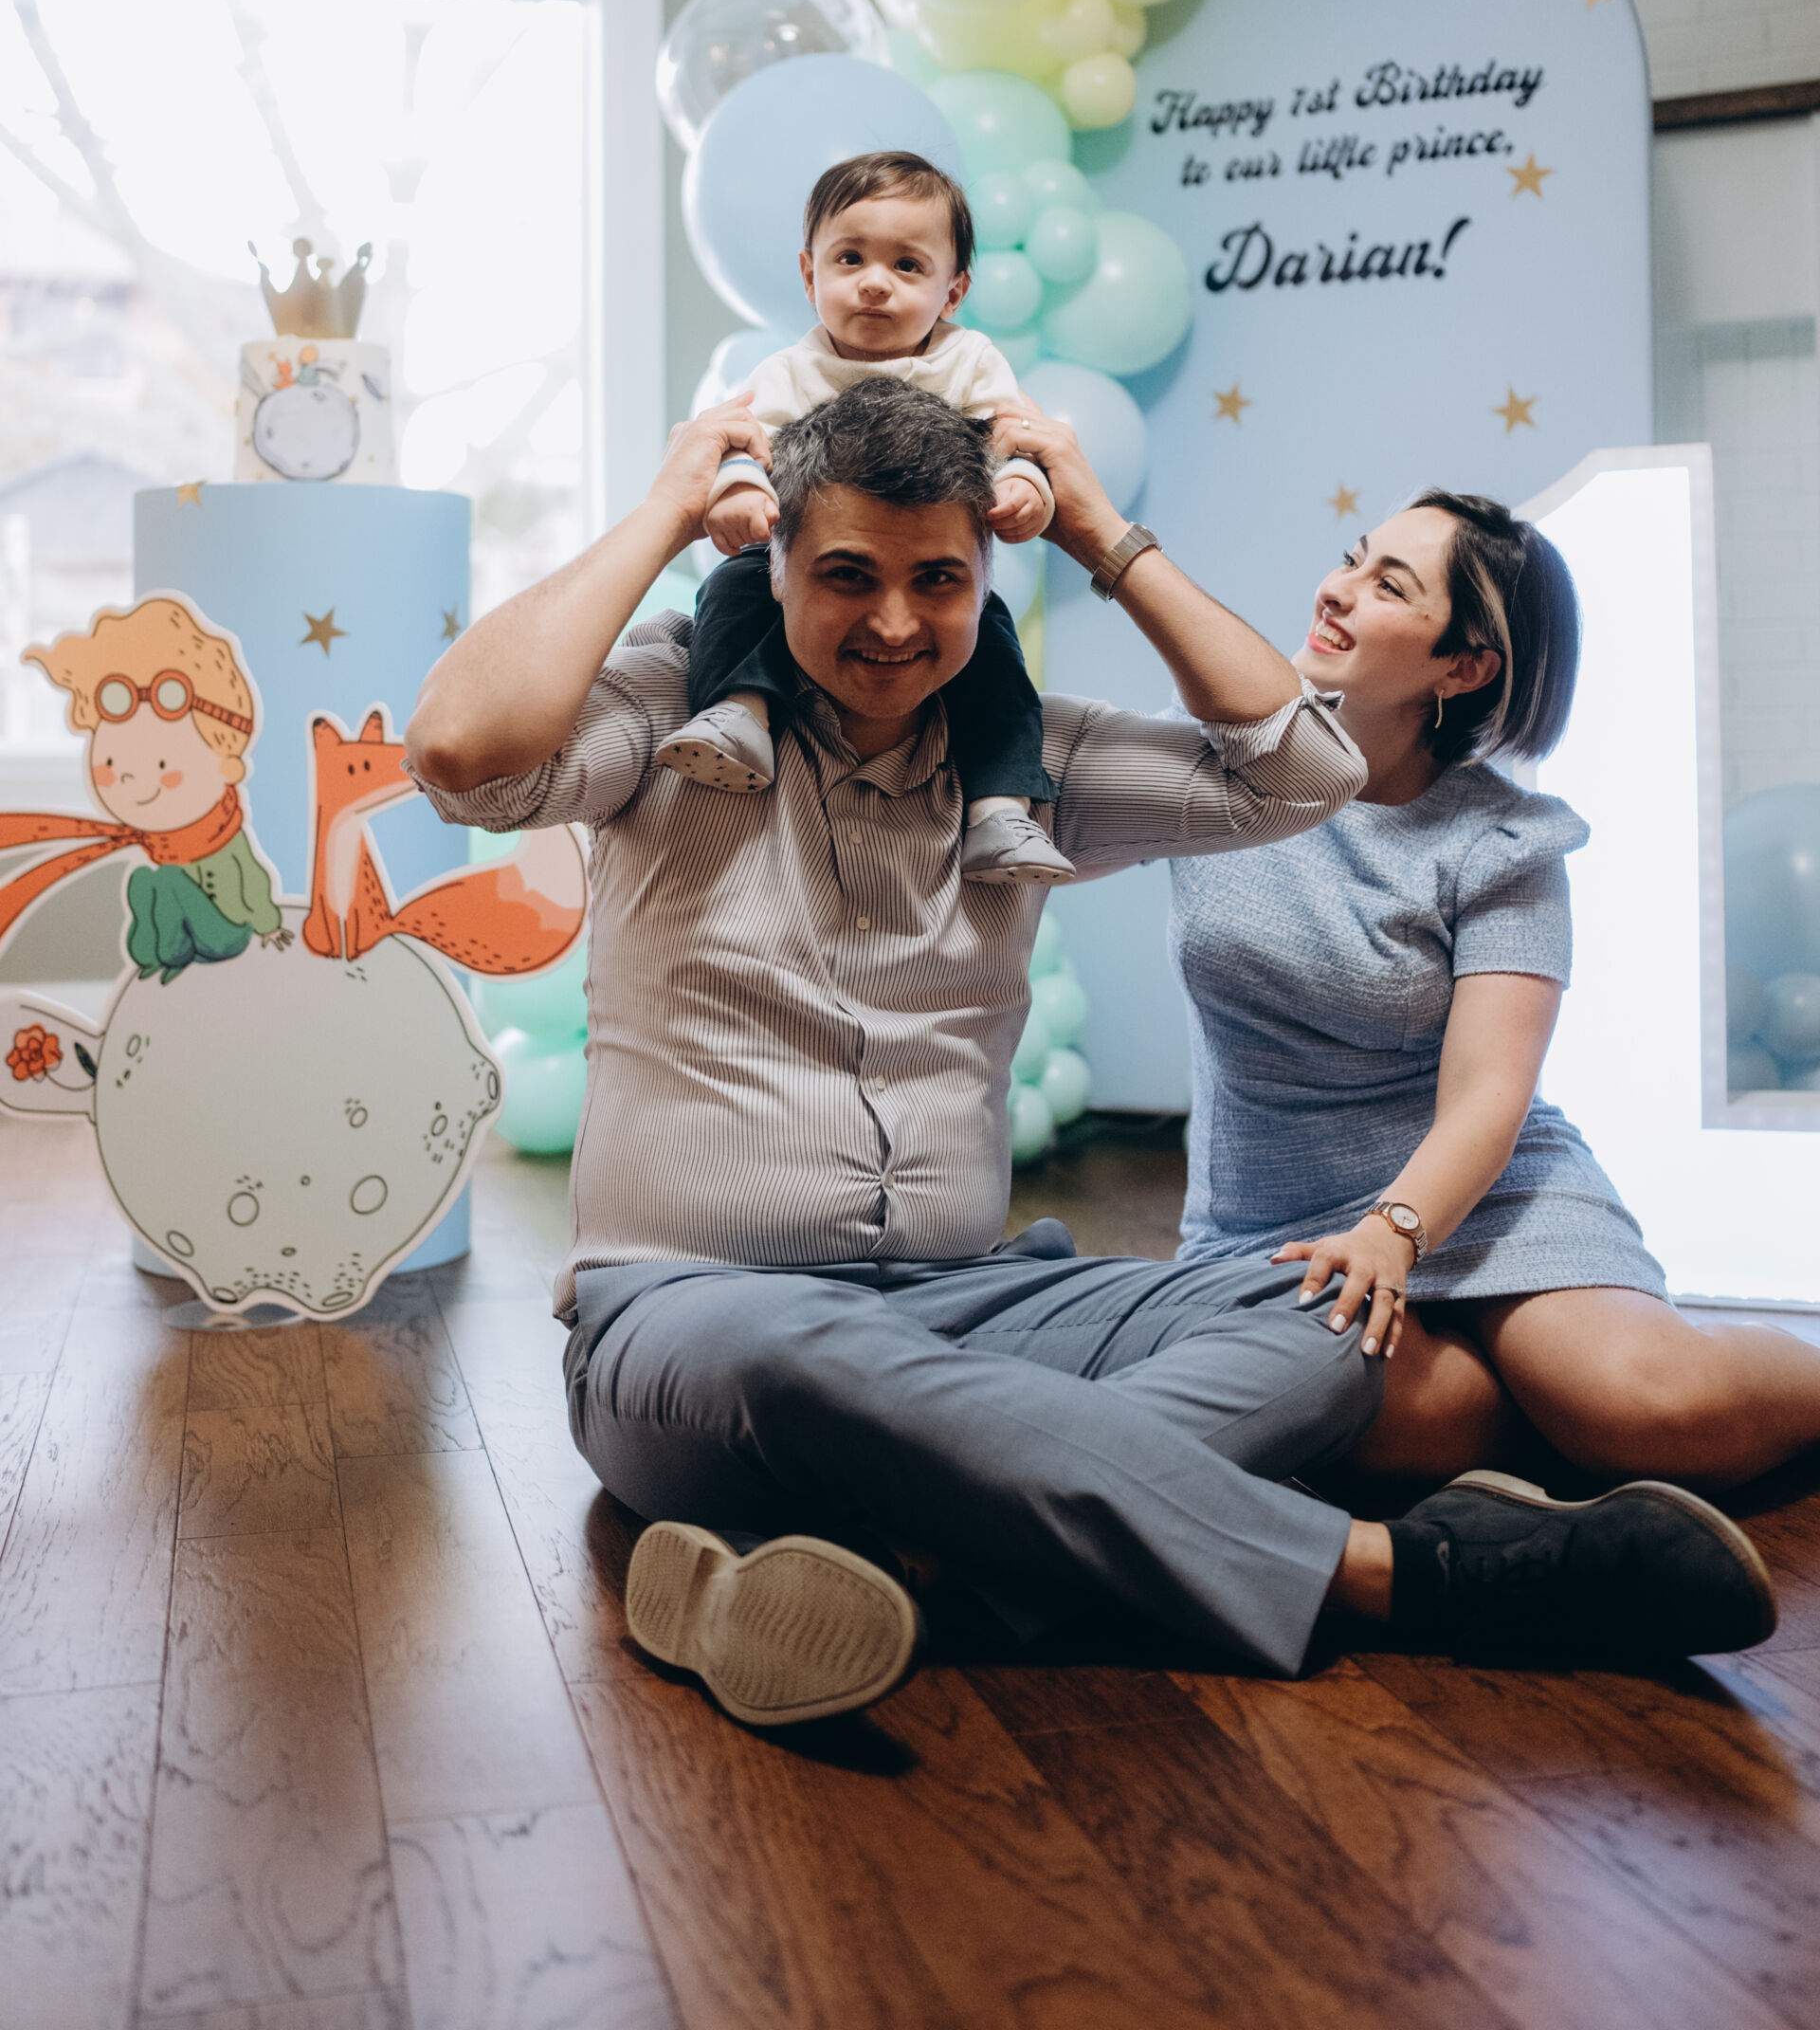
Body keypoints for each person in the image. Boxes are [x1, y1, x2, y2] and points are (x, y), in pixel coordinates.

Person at [405, 390, 1775, 1731]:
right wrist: (662, 511)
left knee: (1316, 1325)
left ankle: (919, 1559)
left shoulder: (1035, 766)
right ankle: (1405, 1574)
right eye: (848, 575)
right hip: (698, 1314)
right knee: (794, 1352)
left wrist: (1101, 535)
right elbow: (460, 753)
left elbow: (1306, 771)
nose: (896, 622)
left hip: (966, 1302)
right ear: (774, 566)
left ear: (985, 576)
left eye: (939, 580)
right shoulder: (674, 715)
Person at [1171, 488, 1820, 1489]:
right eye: (1352, 558)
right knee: (1406, 1430)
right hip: (1276, 1217)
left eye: (1390, 586)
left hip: (1490, 1191)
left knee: (1646, 1408)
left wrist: (1395, 1230)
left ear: (1464, 666)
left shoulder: (1505, 840)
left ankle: (1626, 1396)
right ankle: (1549, 1410)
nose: (1338, 590)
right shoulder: (1214, 767)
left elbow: (1488, 1096)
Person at [656, 148, 1071, 885]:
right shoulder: (790, 372)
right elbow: (742, 444)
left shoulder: (969, 363)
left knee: (995, 652)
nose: (875, 282)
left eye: (908, 266)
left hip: (928, 558)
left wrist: (1023, 487)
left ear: (953, 291)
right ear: (810, 274)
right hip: (803, 554)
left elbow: (1016, 437)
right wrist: (740, 489)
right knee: (732, 589)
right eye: (850, 259)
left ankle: (1002, 807)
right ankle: (739, 712)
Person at [3, 594, 288, 981]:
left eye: (163, 766)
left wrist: (268, 925)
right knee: (143, 880)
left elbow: (252, 879)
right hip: (186, 938)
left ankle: (168, 952)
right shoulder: (159, 844)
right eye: (112, 765)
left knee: (166, 879)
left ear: (225, 760)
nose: (131, 780)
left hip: (228, 934)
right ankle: (151, 955)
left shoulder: (226, 835)